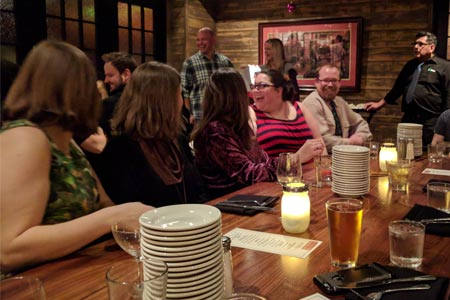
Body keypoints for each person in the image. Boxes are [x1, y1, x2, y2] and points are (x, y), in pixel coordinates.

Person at [0, 40, 151, 274]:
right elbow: (9, 249)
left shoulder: (66, 139)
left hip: (74, 275)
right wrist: (112, 217)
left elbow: (104, 203)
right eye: (88, 81)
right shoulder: (26, 136)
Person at [192, 68, 323, 199]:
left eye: (261, 86)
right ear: (237, 96)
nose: (252, 93)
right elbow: (251, 175)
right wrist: (296, 159)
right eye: (251, 88)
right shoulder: (215, 131)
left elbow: (263, 161)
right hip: (229, 206)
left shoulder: (237, 125)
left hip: (255, 197)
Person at [96, 61, 208, 206]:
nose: (181, 101)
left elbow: (199, 190)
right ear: (163, 102)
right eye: (179, 94)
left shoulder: (177, 139)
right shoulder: (121, 150)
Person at [365, 31, 450, 147]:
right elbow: (397, 88)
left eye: (420, 44)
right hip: (409, 118)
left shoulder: (444, 67)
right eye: (414, 44)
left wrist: (444, 123)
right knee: (404, 151)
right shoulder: (410, 65)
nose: (415, 47)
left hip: (431, 121)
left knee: (429, 153)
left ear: (431, 47)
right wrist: (379, 104)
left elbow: (448, 96)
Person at [249, 69, 325, 158]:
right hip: (276, 171)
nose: (255, 90)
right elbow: (252, 161)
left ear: (279, 90)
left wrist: (324, 169)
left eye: (262, 86)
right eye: (253, 86)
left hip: (313, 169)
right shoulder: (251, 113)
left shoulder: (299, 108)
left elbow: (320, 144)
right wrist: (299, 157)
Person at [303, 64, 372, 153]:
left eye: (334, 80)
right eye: (326, 80)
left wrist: (360, 137)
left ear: (339, 83)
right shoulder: (312, 103)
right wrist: (350, 142)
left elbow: (361, 123)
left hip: (343, 157)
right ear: (316, 82)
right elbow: (322, 140)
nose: (330, 84)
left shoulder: (339, 102)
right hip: (322, 160)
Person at [181, 27, 233, 124]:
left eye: (203, 39)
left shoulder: (225, 62)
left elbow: (231, 88)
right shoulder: (189, 63)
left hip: (222, 114)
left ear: (213, 40)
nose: (200, 43)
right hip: (199, 116)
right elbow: (185, 91)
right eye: (198, 40)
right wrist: (190, 114)